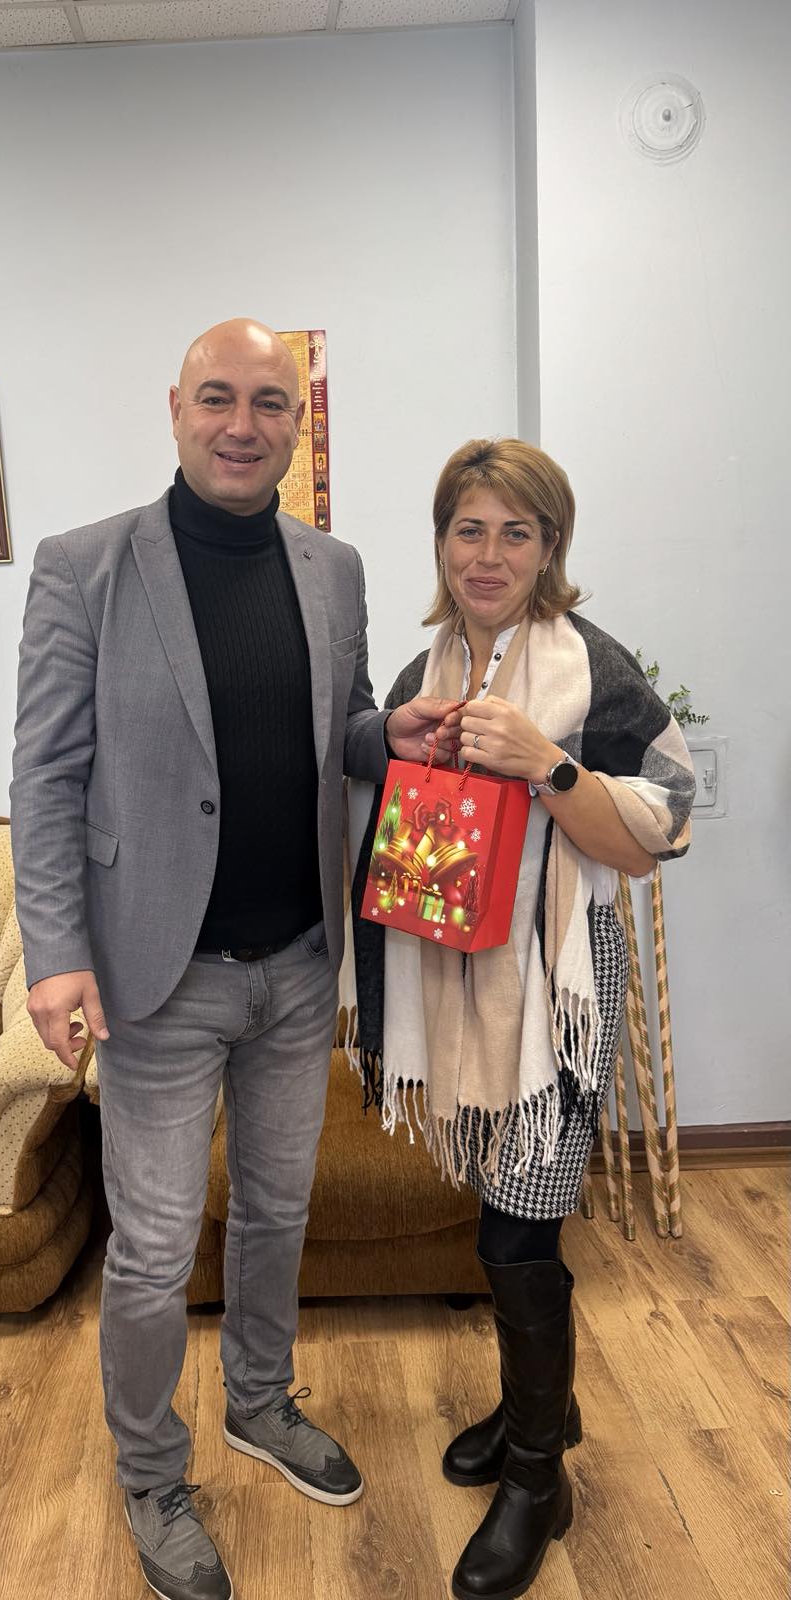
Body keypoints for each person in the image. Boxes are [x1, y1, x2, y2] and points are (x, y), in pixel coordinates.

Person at [10, 318, 460, 1600]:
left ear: (297, 423)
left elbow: (339, 726)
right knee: (153, 1250)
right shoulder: (84, 567)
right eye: (219, 397)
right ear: (176, 407)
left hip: (300, 961)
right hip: (157, 975)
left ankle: (261, 1401)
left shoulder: (334, 566)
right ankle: (151, 1471)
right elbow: (44, 775)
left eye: (270, 402)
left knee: (278, 1210)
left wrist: (391, 732)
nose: (242, 424)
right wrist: (55, 953)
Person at [347, 438, 695, 1600]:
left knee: (515, 1237)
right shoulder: (425, 671)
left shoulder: (594, 667)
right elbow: (379, 807)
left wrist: (548, 764)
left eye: (517, 532)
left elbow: (660, 830)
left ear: (551, 547)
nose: (489, 554)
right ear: (441, 541)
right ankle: (531, 1409)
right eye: (469, 529)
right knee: (503, 1217)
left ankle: (540, 1476)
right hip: (453, 983)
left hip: (557, 991)